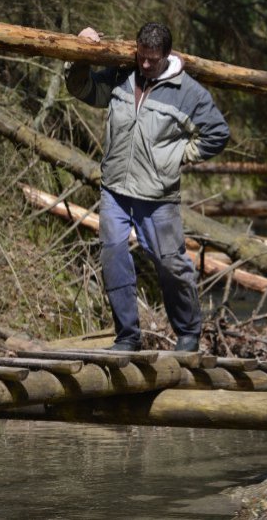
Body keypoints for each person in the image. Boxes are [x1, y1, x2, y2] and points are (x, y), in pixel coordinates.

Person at [64, 22, 230, 352]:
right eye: (141, 56)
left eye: (152, 60)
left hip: (157, 196)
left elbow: (217, 133)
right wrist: (80, 54)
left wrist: (179, 155)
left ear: (166, 56)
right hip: (115, 188)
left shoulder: (190, 93)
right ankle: (127, 336)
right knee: (113, 256)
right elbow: (82, 90)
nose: (144, 65)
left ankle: (188, 333)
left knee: (171, 264)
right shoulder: (121, 76)